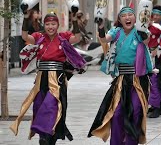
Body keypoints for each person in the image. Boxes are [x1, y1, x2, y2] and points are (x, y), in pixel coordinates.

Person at [10, 11, 85, 145]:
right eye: (47, 24)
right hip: (41, 78)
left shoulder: (63, 37)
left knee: (51, 107)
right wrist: (26, 19)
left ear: (58, 25)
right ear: (44, 25)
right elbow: (24, 36)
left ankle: (49, 136)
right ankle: (44, 137)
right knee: (39, 106)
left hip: (57, 78)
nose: (50, 27)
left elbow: (78, 37)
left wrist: (74, 21)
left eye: (53, 24)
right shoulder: (39, 37)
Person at [88, 7, 153, 145]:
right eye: (124, 16)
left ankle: (131, 142)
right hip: (121, 80)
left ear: (135, 18)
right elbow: (104, 39)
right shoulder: (116, 32)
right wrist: (100, 26)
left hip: (138, 80)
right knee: (116, 114)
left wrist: (143, 28)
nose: (127, 17)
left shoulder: (140, 32)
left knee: (135, 112)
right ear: (119, 19)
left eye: (130, 15)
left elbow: (147, 40)